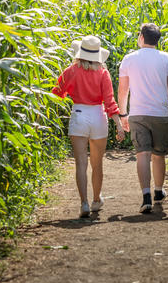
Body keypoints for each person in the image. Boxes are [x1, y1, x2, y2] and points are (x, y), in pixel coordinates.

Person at [52, 35, 126, 217]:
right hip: (98, 116)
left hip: (78, 114)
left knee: (80, 164)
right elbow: (109, 101)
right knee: (97, 164)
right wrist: (119, 125)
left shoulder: (71, 70)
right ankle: (96, 200)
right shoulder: (102, 73)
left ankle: (84, 203)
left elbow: (56, 93)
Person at [118, 23, 168, 214]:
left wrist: (123, 114)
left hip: (138, 114)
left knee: (142, 155)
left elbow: (123, 90)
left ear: (141, 37)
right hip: (160, 114)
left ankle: (146, 196)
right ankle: (158, 191)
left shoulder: (129, 59)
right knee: (159, 154)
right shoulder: (166, 58)